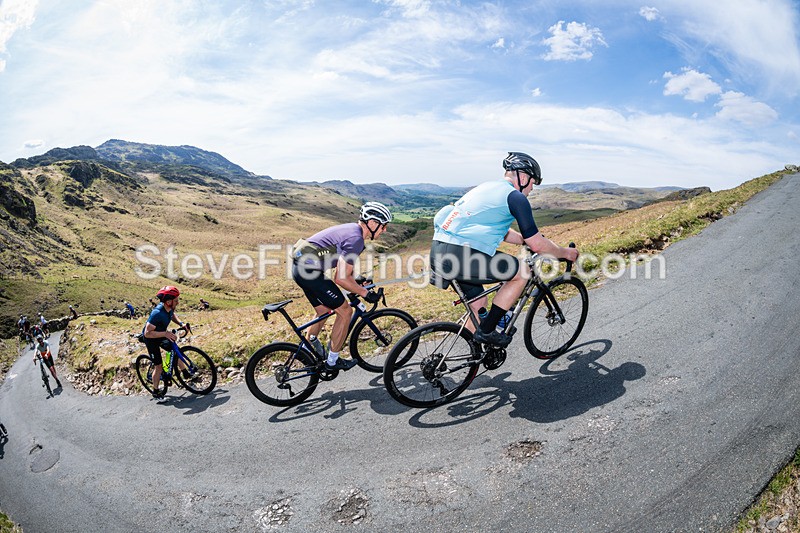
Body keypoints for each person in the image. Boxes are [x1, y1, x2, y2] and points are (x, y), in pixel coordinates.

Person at [430, 151, 579, 346]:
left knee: (479, 305)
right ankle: (487, 331)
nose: (532, 189)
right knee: (522, 272)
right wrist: (565, 253)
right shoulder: (515, 197)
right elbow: (537, 244)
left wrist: (524, 241)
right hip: (461, 255)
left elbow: (500, 229)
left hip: (439, 251)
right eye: (533, 183)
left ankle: (470, 353)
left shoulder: (487, 188)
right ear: (524, 177)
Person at [291, 202, 391, 371]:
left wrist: (357, 281)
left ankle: (308, 350)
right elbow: (341, 278)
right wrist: (365, 294)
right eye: (383, 226)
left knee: (323, 311)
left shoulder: (353, 230)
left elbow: (343, 269)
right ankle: (332, 361)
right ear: (373, 223)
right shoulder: (356, 239)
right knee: (345, 312)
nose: (385, 230)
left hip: (300, 269)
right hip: (309, 272)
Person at [141, 286, 191, 399]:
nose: (178, 302)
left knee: (175, 349)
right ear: (168, 301)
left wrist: (181, 324)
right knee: (158, 366)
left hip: (161, 334)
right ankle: (156, 391)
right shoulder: (157, 313)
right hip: (151, 338)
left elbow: (172, 315)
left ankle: (185, 372)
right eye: (176, 300)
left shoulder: (169, 308)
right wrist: (165, 333)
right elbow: (147, 333)